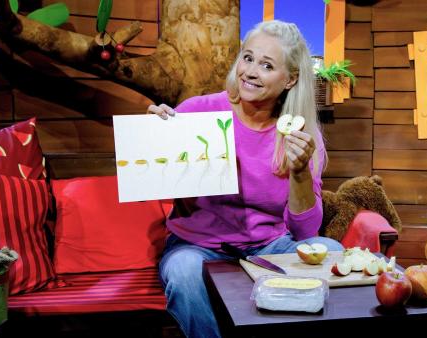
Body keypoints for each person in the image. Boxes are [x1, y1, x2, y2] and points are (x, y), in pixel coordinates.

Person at [147, 20, 343, 338]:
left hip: (271, 246)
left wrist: (300, 172)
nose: (250, 71)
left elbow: (305, 232)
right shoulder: (198, 111)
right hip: (197, 246)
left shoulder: (300, 134)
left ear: (291, 79)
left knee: (329, 248)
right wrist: (155, 139)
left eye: (266, 65)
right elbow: (156, 182)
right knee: (183, 271)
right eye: (248, 58)